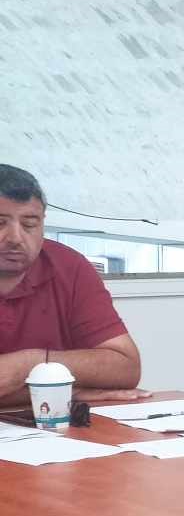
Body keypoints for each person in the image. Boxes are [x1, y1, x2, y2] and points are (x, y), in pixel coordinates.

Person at [0, 165, 143, 403]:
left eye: (29, 225)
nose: (15, 238)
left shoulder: (69, 266)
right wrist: (69, 391)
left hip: (48, 420)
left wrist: (32, 363)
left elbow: (126, 367)